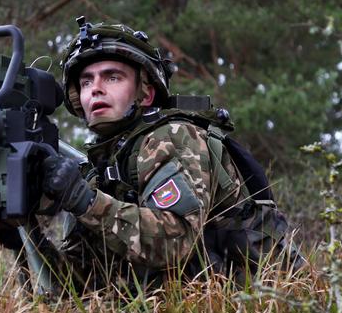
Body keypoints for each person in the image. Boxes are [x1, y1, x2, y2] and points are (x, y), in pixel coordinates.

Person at [35, 17, 299, 292]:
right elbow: (85, 285)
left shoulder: (172, 136)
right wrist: (25, 237)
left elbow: (175, 242)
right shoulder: (102, 167)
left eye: (112, 77)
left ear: (146, 93)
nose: (96, 88)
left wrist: (85, 201)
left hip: (255, 306)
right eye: (86, 81)